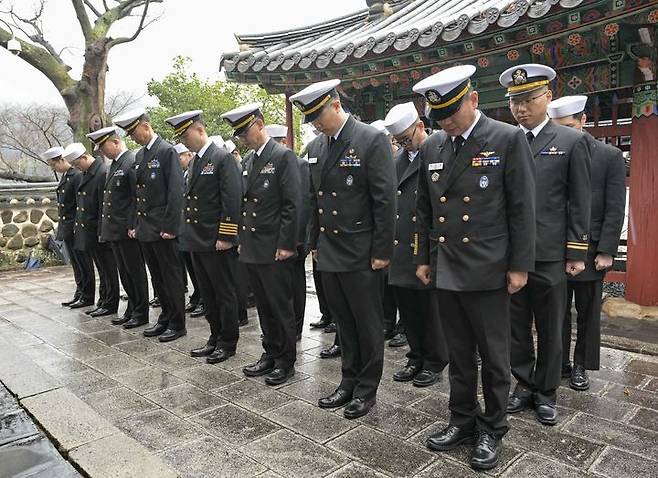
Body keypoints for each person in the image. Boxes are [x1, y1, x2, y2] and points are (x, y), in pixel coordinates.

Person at [413, 65, 536, 470]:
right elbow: (425, 211)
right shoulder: (434, 146)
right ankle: (462, 419)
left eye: (452, 112)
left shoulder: (505, 138)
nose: (446, 122)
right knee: (459, 353)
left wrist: (520, 266)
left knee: (494, 356)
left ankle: (493, 427)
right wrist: (423, 260)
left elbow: (522, 209)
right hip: (447, 267)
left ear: (474, 100)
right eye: (439, 116)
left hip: (488, 268)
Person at [290, 79, 396, 418]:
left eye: (319, 115)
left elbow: (384, 200)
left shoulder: (370, 138)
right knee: (344, 324)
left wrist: (382, 251)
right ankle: (348, 381)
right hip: (331, 251)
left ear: (336, 105)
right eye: (312, 119)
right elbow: (314, 200)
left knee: (367, 323)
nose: (317, 124)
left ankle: (367, 388)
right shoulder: (317, 147)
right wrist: (315, 243)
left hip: (363, 250)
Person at [500, 64, 592, 426]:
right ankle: (523, 383)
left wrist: (576, 252)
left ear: (548, 97)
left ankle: (547, 391)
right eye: (514, 101)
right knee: (515, 324)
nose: (521, 108)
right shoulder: (506, 141)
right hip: (510, 255)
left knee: (552, 324)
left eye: (528, 99)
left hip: (551, 254)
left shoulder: (572, 141)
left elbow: (579, 200)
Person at [548, 95, 626, 391]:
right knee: (557, 312)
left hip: (592, 250)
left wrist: (607, 250)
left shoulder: (608, 156)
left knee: (588, 311)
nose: (564, 133)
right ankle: (559, 362)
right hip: (555, 248)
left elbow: (615, 206)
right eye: (559, 128)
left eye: (569, 126)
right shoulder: (551, 151)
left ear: (583, 121)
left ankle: (581, 364)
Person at [221, 102, 301, 385]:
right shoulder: (248, 161)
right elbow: (244, 205)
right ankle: (270, 353)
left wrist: (287, 244)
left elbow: (293, 205)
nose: (242, 138)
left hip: (274, 246)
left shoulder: (282, 157)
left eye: (245, 131)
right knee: (264, 307)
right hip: (253, 246)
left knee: (279, 306)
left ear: (259, 124)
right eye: (239, 134)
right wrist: (241, 239)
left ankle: (285, 360)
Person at [165, 110, 242, 363]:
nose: (184, 141)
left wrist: (227, 236)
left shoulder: (221, 158)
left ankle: (228, 342)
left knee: (224, 293)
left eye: (186, 134)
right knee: (208, 294)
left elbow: (231, 200)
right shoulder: (196, 160)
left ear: (199, 130)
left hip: (216, 240)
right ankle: (214, 336)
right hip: (197, 240)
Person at [383, 102, 448, 387]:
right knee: (408, 309)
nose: (403, 145)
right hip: (400, 244)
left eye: (406, 139)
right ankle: (416, 355)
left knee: (430, 310)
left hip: (426, 245)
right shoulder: (397, 160)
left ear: (420, 126)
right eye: (398, 142)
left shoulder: (437, 152)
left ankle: (434, 360)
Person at [113, 108, 186, 342]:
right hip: (146, 228)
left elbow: (176, 192)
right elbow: (138, 194)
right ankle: (164, 318)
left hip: (163, 228)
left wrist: (171, 226)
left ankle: (177, 323)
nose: (133, 138)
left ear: (146, 126)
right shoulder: (140, 156)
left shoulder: (166, 151)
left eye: (134, 132)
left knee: (171, 277)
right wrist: (136, 223)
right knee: (158, 277)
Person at [86, 126, 149, 328]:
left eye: (104, 147)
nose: (102, 152)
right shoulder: (115, 164)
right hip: (115, 229)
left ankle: (141, 311)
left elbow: (136, 197)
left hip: (127, 229)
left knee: (135, 272)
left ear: (115, 142)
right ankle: (132, 309)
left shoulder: (130, 162)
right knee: (125, 273)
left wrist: (133, 224)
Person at [62, 142, 119, 317]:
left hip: (98, 229)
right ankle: (104, 300)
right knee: (102, 269)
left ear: (85, 157)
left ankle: (110, 302)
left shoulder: (101, 173)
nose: (77, 168)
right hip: (90, 230)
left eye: (77, 164)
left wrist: (103, 231)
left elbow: (104, 206)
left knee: (108, 270)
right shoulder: (88, 173)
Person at [265, 124, 310, 341]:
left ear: (283, 141)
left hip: (295, 239)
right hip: (277, 238)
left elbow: (299, 203)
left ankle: (297, 326)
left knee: (296, 285)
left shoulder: (298, 163)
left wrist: (297, 240)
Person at [43, 146, 91, 308]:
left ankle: (87, 294)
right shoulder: (66, 176)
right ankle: (80, 292)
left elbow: (80, 204)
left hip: (76, 226)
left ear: (62, 160)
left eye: (54, 165)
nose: (54, 168)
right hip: (68, 226)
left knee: (83, 263)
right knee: (76, 264)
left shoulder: (76, 175)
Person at [174, 143, 204, 317]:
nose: (178, 161)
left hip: (198, 228)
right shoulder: (185, 173)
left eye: (180, 157)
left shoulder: (193, 171)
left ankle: (202, 299)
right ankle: (198, 296)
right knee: (191, 267)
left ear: (189, 155)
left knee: (199, 270)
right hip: (186, 227)